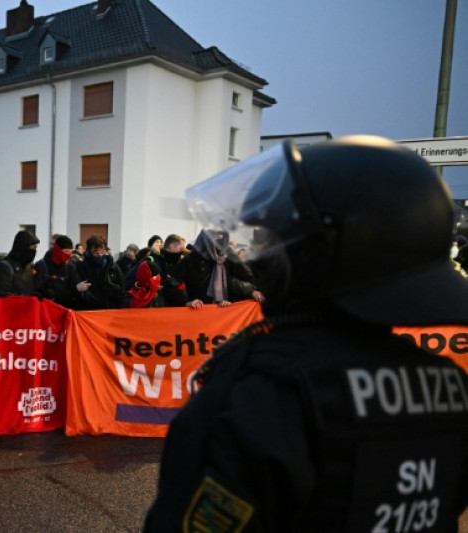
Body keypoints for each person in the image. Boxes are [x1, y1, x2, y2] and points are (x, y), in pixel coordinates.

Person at [144, 136, 468, 532]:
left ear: (323, 252)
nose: (263, 257)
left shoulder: (260, 391)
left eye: (273, 241)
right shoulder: (450, 386)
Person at [172, 228, 261, 308]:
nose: (219, 240)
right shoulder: (192, 258)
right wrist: (186, 303)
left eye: (222, 237)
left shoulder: (229, 256)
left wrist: (250, 291)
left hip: (224, 311)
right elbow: (173, 283)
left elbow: (248, 278)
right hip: (197, 311)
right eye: (216, 236)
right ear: (206, 239)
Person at [33, 234, 88, 308]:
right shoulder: (41, 265)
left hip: (66, 308)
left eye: (70, 252)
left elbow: (74, 283)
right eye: (66, 251)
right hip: (47, 308)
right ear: (57, 250)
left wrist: (79, 287)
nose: (68, 255)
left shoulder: (69, 266)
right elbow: (38, 288)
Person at [73, 234, 125, 310]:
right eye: (96, 251)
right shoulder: (80, 266)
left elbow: (122, 289)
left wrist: (113, 288)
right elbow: (73, 289)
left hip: (109, 309)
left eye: (102, 250)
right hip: (88, 310)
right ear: (89, 251)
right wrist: (78, 289)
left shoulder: (113, 267)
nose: (100, 254)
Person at [0, 230, 40, 297]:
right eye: (33, 247)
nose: (35, 251)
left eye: (36, 247)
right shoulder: (5, 267)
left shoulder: (29, 266)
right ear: (23, 247)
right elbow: (3, 296)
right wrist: (24, 298)